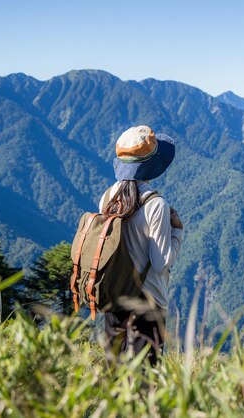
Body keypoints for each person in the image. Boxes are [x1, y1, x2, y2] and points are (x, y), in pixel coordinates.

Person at [98, 125, 184, 365]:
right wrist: (178, 232)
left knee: (115, 373)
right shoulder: (156, 205)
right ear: (151, 164)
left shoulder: (107, 197)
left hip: (114, 297)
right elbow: (160, 263)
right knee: (145, 377)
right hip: (148, 301)